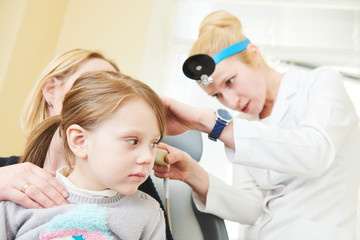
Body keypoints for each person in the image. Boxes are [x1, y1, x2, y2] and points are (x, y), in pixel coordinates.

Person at [154, 10, 360, 240]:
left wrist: (213, 124)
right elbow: (252, 208)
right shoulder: (243, 127)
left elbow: (315, 152)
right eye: (217, 95)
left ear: (254, 54)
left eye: (230, 81)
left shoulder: (320, 84)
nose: (231, 102)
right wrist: (192, 173)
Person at [0, 49, 173, 239]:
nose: (146, 156)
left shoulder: (138, 193)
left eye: (153, 143)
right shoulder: (11, 195)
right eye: (94, 82)